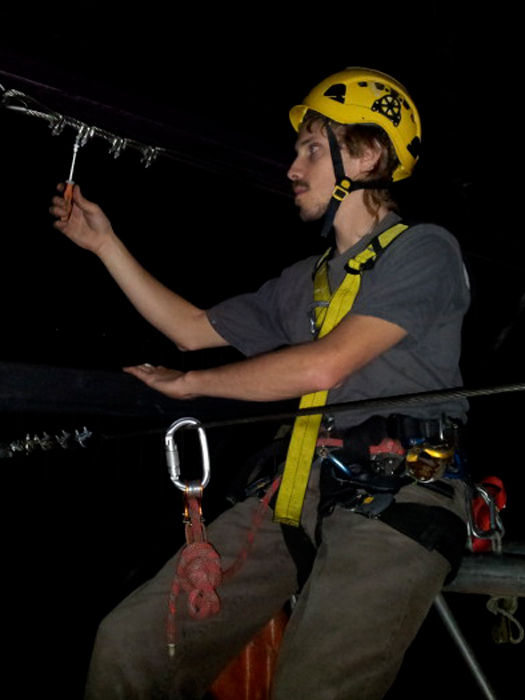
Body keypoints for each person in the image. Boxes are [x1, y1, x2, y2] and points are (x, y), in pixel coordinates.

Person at [51, 68, 470, 699]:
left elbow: (325, 365)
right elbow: (192, 327)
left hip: (402, 502)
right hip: (296, 493)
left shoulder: (424, 251)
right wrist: (104, 245)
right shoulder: (304, 279)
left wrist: (191, 386)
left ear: (364, 155)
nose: (291, 168)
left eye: (310, 150)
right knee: (129, 642)